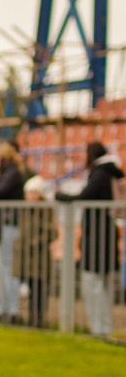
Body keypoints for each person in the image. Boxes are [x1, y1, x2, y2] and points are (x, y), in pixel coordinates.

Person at [54, 142, 124, 336]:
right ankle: (103, 327)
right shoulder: (109, 172)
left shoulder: (100, 173)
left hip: (97, 235)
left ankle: (99, 328)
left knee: (93, 282)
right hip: (105, 232)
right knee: (103, 282)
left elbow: (85, 196)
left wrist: (60, 195)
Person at [0, 140, 29, 323]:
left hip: (9, 226)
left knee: (8, 269)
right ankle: (3, 307)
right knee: (1, 269)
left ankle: (12, 309)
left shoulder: (13, 173)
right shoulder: (7, 173)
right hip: (0, 226)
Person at [15, 176, 58, 328]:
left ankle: (39, 319)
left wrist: (37, 240)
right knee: (32, 290)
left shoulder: (45, 210)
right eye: (29, 194)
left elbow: (53, 232)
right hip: (27, 257)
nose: (31, 197)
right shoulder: (26, 210)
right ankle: (31, 319)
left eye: (34, 194)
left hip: (40, 257)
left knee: (40, 290)